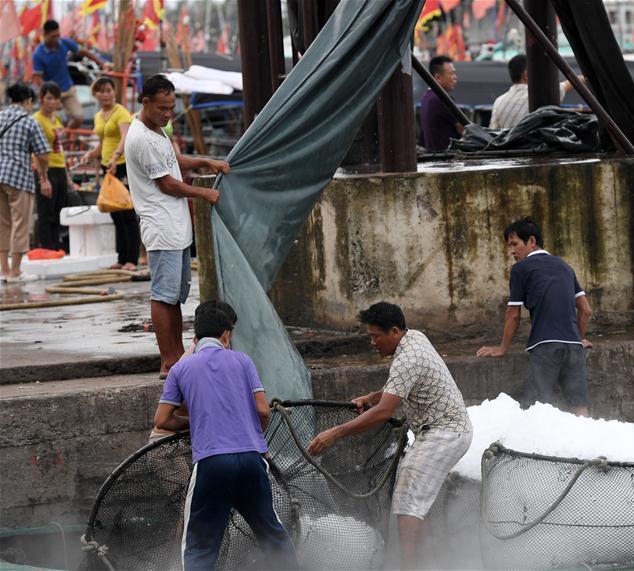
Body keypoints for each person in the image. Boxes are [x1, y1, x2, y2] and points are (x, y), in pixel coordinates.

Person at [308, 302, 472, 570]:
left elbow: (384, 412)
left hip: (445, 433)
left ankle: (409, 565)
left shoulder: (408, 358)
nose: (372, 342)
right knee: (417, 499)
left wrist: (335, 433)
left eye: (375, 336)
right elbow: (398, 387)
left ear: (395, 331)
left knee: (407, 496)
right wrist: (373, 396)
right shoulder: (414, 337)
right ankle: (427, 558)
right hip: (442, 430)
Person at [153, 300, 299, 570]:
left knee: (198, 548)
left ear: (195, 338)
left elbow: (161, 420)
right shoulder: (243, 360)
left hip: (212, 462)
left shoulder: (181, 369)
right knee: (273, 535)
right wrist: (255, 438)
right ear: (226, 335)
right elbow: (263, 410)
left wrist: (196, 421)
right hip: (251, 460)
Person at [124, 74, 229, 379]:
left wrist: (206, 161)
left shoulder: (156, 130)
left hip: (175, 226)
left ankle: (176, 353)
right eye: (162, 108)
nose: (168, 114)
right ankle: (168, 359)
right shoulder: (141, 137)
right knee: (162, 295)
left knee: (174, 297)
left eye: (171, 107)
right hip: (162, 225)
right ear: (146, 102)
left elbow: (174, 161)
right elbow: (167, 183)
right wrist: (204, 193)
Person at [476, 216, 593, 417]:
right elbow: (586, 310)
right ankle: (588, 446)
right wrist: (578, 338)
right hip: (573, 348)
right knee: (579, 407)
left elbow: (513, 315)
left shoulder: (521, 269)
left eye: (515, 244)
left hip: (545, 346)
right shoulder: (565, 267)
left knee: (536, 409)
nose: (512, 251)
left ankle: (537, 447)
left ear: (531, 241)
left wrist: (502, 349)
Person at [80, 77, 140, 271]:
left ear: (114, 92)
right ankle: (121, 258)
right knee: (114, 212)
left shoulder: (121, 112)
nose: (106, 94)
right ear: (95, 94)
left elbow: (125, 137)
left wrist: (115, 157)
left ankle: (132, 258)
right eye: (101, 91)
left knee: (127, 212)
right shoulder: (98, 116)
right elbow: (103, 142)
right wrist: (90, 154)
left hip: (121, 165)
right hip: (108, 167)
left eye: (108, 90)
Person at [0, 83, 51, 283]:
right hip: (18, 177)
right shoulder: (29, 122)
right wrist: (43, 172)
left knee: (2, 224)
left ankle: (3, 270)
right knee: (20, 224)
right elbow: (43, 153)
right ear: (28, 101)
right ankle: (15, 272)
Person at [31, 19, 112, 129]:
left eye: (58, 35)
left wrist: (102, 63)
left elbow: (84, 52)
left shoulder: (64, 42)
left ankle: (65, 139)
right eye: (53, 36)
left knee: (78, 118)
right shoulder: (38, 54)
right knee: (50, 123)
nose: (56, 39)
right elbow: (38, 79)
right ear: (45, 35)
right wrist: (50, 97)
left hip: (68, 89)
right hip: (52, 94)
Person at [489, 54, 579, 130]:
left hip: (509, 150)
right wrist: (585, 77)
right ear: (526, 75)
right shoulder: (540, 94)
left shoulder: (499, 101)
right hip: (536, 149)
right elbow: (568, 84)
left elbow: (493, 132)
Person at [32, 81, 68, 251]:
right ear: (41, 99)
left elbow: (60, 147)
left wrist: (66, 174)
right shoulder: (36, 120)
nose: (52, 102)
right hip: (45, 169)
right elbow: (35, 151)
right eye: (49, 98)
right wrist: (42, 178)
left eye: (55, 99)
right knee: (45, 211)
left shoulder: (57, 119)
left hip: (60, 167)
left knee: (58, 210)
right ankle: (46, 248)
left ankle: (55, 246)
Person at [419, 55, 465, 152]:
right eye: (451, 74)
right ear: (438, 77)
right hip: (447, 159)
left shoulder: (425, 98)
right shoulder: (443, 99)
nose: (455, 77)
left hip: (432, 157)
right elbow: (463, 130)